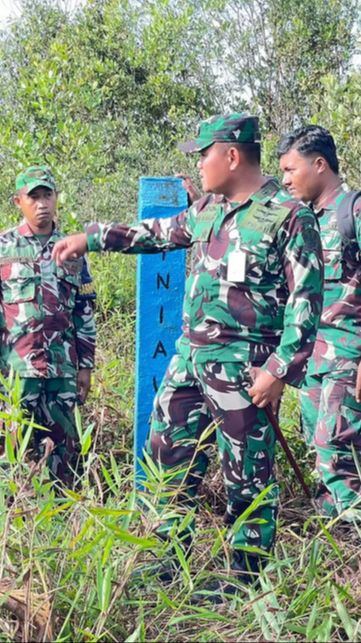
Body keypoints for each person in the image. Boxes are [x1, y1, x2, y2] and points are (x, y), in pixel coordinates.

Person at [52, 113, 323, 600]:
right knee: (165, 460)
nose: (198, 165)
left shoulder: (288, 216)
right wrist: (90, 238)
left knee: (248, 477)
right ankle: (165, 560)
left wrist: (278, 371)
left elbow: (307, 303)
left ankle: (245, 581)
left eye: (204, 154)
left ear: (232, 155)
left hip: (245, 371)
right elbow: (154, 233)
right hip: (189, 364)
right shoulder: (209, 210)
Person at [278, 125, 361, 521]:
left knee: (334, 450)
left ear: (320, 164)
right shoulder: (301, 219)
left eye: (291, 170)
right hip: (312, 360)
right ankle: (335, 537)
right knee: (320, 447)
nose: (286, 179)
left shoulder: (353, 211)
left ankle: (354, 532)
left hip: (347, 353)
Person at [0, 165, 96, 486]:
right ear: (18, 202)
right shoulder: (4, 248)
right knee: (11, 451)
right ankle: (13, 522)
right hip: (16, 373)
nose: (42, 204)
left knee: (64, 453)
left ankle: (62, 520)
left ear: (56, 198)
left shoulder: (72, 249)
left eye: (48, 195)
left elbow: (84, 309)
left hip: (62, 372)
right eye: (34, 197)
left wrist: (85, 367)